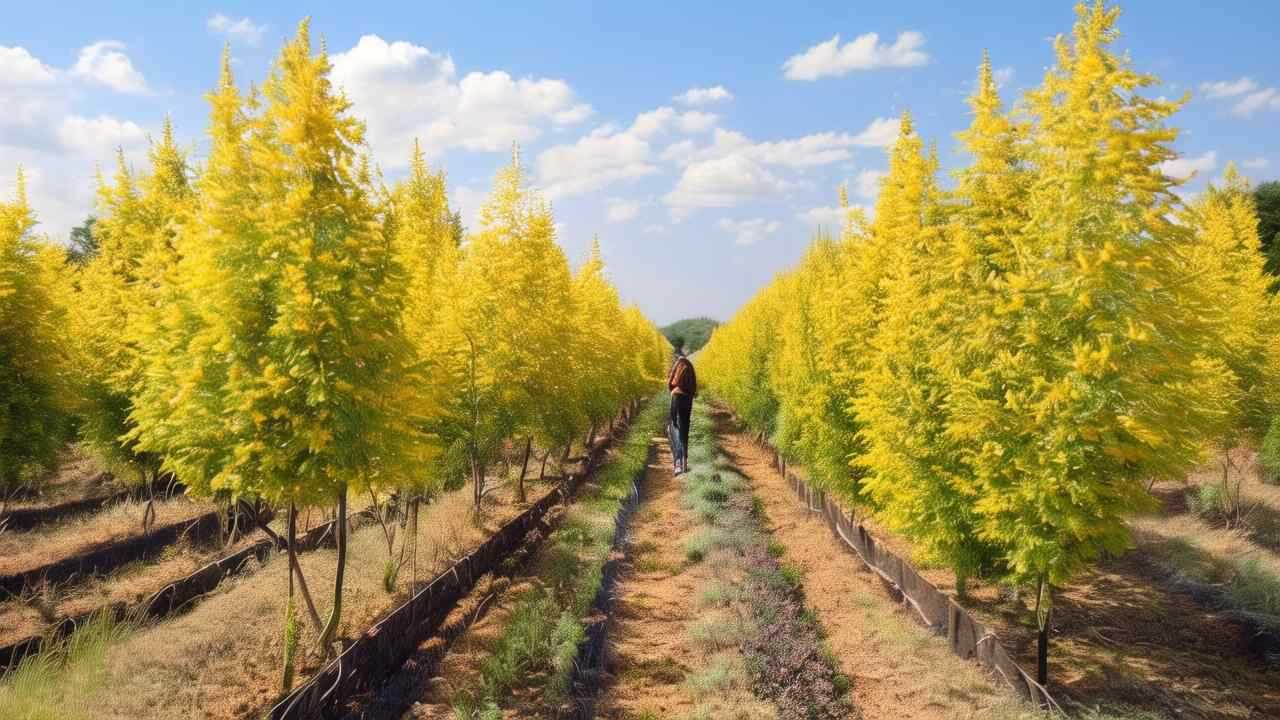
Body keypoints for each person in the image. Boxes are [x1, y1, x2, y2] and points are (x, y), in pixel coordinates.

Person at [667, 348, 697, 475]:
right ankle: (685, 463)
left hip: (677, 398)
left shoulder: (678, 364)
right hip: (688, 399)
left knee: (675, 428)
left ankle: (677, 464)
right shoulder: (690, 367)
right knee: (685, 429)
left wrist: (673, 390)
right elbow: (694, 387)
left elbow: (670, 383)